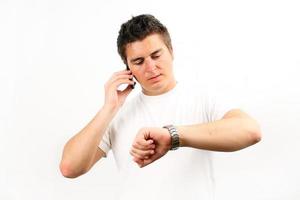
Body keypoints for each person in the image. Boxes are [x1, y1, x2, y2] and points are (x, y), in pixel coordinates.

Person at [59, 14, 262, 200]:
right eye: (138, 61)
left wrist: (172, 136)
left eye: (156, 55)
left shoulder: (202, 98)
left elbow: (251, 131)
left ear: (171, 52)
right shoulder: (117, 115)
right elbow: (70, 167)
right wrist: (109, 108)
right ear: (128, 69)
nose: (150, 67)